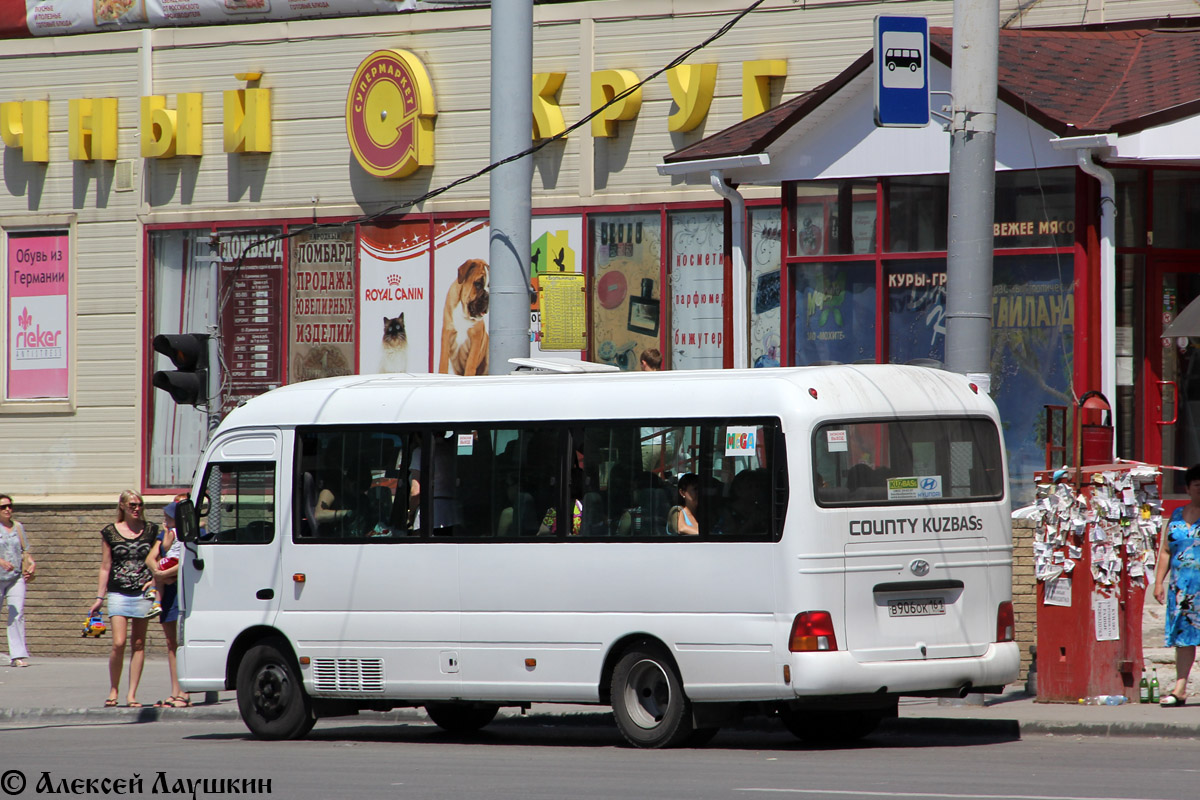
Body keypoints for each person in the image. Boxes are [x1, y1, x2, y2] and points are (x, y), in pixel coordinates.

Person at [90, 490, 161, 708]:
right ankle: (114, 689)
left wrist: (156, 582)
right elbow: (105, 566)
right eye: (132, 505)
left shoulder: (151, 531)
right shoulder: (110, 532)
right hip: (118, 591)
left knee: (138, 643)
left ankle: (132, 694)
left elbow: (160, 559)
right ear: (122, 506)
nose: (137, 508)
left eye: (140, 504)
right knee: (119, 643)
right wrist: (99, 597)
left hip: (142, 593)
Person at [1154, 464, 1200, 707]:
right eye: (1197, 486)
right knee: (1183, 640)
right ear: (1188, 488)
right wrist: (1158, 582)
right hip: (1181, 590)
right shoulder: (1175, 516)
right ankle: (1180, 688)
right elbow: (1165, 552)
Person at [146, 495, 189, 707]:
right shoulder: (166, 534)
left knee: (183, 643)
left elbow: (186, 561)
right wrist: (157, 573)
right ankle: (175, 691)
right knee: (171, 644)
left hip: (184, 592)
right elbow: (150, 557)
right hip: (169, 592)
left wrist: (162, 575)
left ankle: (185, 693)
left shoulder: (192, 533)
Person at [0, 494, 33, 667]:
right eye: (3, 507)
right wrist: (1, 562)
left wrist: (31, 564)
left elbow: (25, 550)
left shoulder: (18, 527)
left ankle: (18, 655)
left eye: (9, 506)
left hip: (15, 577)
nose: (7, 510)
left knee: (17, 613)